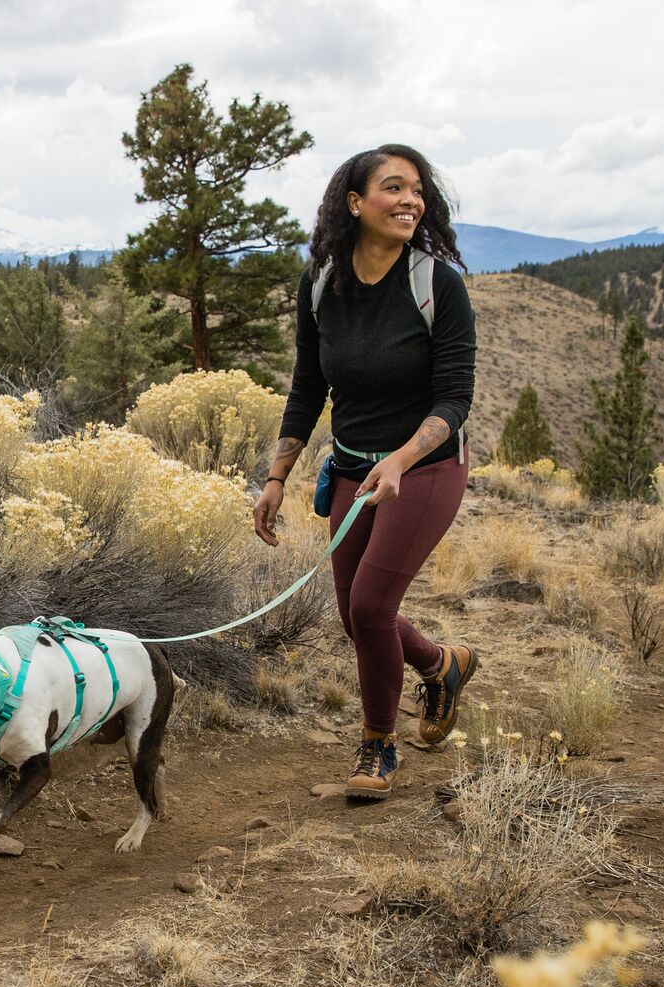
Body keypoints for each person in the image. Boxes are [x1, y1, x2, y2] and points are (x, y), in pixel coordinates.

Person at [253, 144, 479, 800]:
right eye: (394, 188)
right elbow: (306, 385)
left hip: (428, 467)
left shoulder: (436, 285)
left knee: (373, 606)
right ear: (356, 203)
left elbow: (454, 399)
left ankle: (379, 743)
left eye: (418, 190)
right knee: (357, 617)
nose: (411, 200)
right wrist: (276, 478)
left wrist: (404, 460)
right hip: (352, 467)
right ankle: (444, 665)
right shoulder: (322, 284)